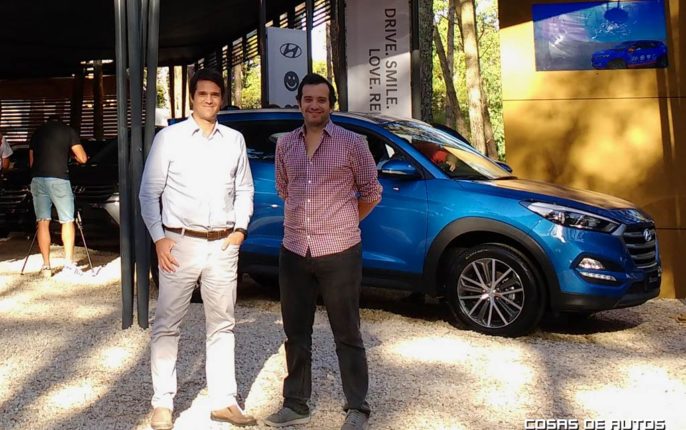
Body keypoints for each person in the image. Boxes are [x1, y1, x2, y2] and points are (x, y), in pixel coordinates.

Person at [139, 68, 256, 430]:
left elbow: (245, 189)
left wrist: (239, 231)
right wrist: (159, 238)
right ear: (192, 97)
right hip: (179, 244)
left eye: (215, 94)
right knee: (167, 324)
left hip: (222, 245)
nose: (209, 99)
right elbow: (148, 193)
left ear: (222, 99)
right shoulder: (169, 139)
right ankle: (162, 403)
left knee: (222, 324)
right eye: (203, 93)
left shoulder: (234, 140)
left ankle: (223, 401)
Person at [264, 73, 382, 430]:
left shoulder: (352, 143)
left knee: (347, 332)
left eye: (321, 100)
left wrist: (342, 222)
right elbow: (285, 189)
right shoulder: (286, 145)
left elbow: (371, 192)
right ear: (299, 103)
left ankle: (357, 406)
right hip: (294, 250)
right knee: (296, 332)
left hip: (339, 250)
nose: (314, 106)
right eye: (308, 99)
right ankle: (296, 404)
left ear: (331, 105)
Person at [28, 115, 88, 277]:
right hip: (59, 179)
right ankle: (68, 264)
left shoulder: (37, 133)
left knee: (42, 221)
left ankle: (46, 266)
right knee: (67, 220)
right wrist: (72, 156)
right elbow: (83, 158)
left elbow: (31, 163)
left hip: (38, 179)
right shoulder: (68, 131)